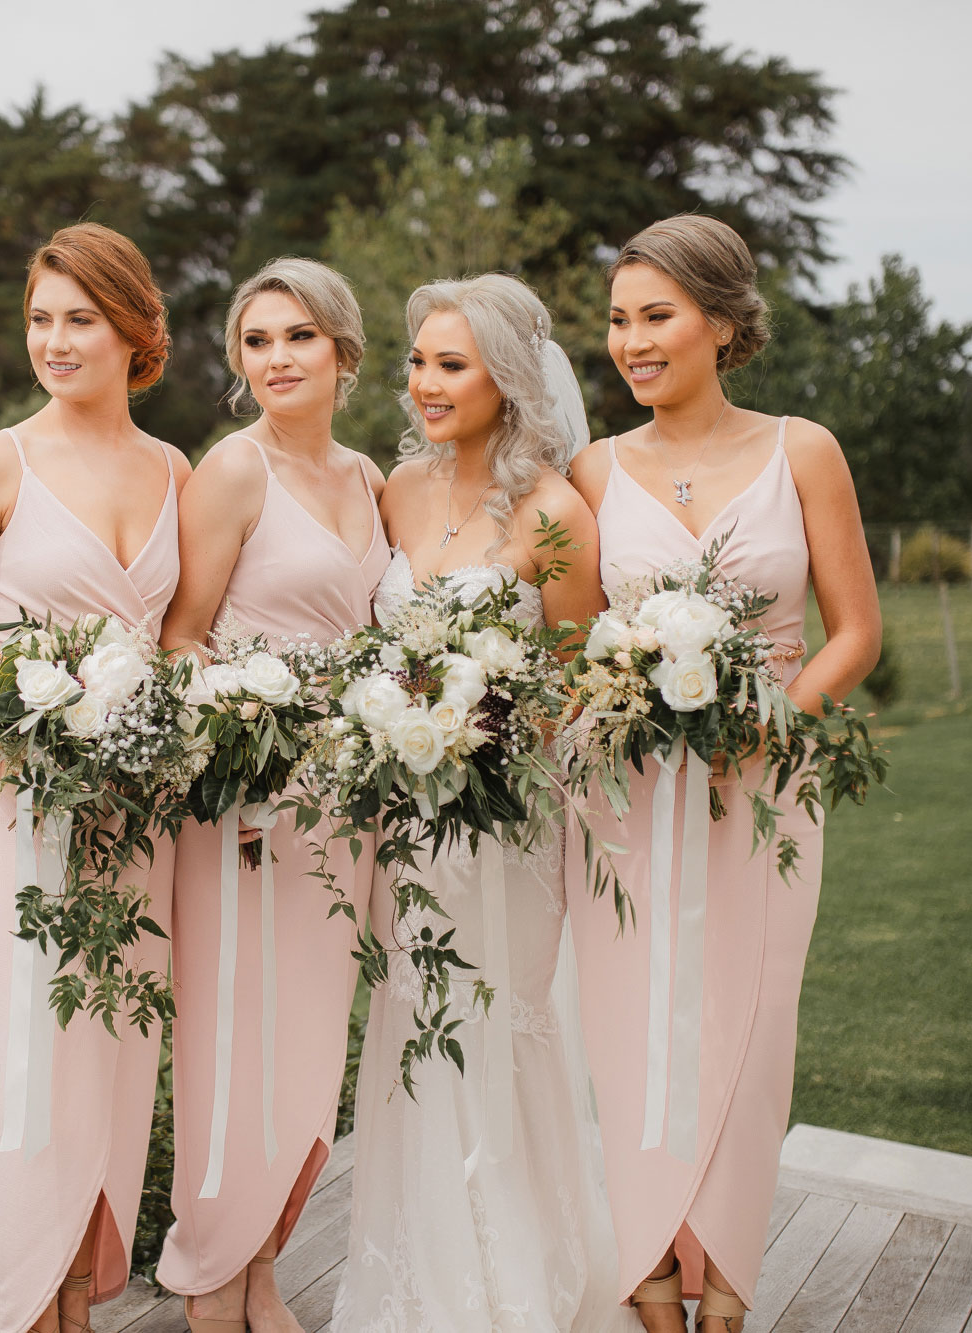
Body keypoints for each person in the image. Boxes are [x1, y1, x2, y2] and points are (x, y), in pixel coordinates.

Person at [565, 214, 881, 1332]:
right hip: (624, 797)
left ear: (721, 322)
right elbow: (566, 642)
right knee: (632, 1025)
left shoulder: (803, 449)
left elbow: (853, 631)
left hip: (767, 785)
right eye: (616, 320)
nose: (631, 342)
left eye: (655, 316)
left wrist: (770, 727)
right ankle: (649, 1269)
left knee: (748, 1027)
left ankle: (731, 1277)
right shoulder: (592, 470)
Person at [0, 222, 192, 1333]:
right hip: (14, 814)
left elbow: (180, 644)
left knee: (113, 1060)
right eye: (39, 319)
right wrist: (0, 743)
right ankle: (29, 1312)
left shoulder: (173, 470)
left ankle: (81, 1301)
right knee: (30, 1074)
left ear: (134, 333)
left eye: (79, 320)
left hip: (136, 819)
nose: (54, 342)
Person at [333, 273, 635, 1333]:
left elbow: (570, 684)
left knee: (494, 1026)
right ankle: (415, 1283)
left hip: (504, 822)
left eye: (448, 363)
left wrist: (479, 732)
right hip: (402, 825)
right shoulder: (395, 492)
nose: (422, 382)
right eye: (416, 360)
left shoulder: (554, 511)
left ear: (505, 377)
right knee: (412, 1025)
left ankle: (511, 1296)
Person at [156, 257, 390, 1333]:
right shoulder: (232, 471)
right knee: (232, 1040)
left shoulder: (369, 478)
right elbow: (183, 634)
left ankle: (259, 1269)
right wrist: (247, 732)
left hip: (347, 807)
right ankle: (209, 1277)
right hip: (246, 807)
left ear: (343, 350)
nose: (276, 359)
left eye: (297, 336)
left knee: (307, 1049)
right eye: (256, 342)